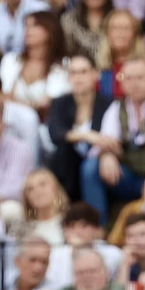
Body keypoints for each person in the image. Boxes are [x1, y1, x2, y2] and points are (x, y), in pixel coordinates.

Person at [83, 60, 145, 225]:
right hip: (131, 177)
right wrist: (106, 156)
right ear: (122, 84)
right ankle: (97, 228)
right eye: (128, 79)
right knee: (91, 167)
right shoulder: (117, 107)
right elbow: (106, 139)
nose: (134, 83)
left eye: (139, 78)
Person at [45, 53, 110, 204]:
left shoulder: (108, 103)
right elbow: (55, 133)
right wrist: (86, 136)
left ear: (96, 74)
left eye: (83, 72)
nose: (78, 77)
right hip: (69, 164)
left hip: (97, 161)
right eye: (73, 73)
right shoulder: (60, 102)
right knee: (63, 152)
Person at [0, 11, 67, 113]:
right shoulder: (11, 60)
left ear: (50, 31)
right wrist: (33, 106)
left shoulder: (62, 65)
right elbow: (2, 97)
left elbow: (48, 105)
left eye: (34, 25)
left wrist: (15, 102)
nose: (28, 31)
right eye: (26, 26)